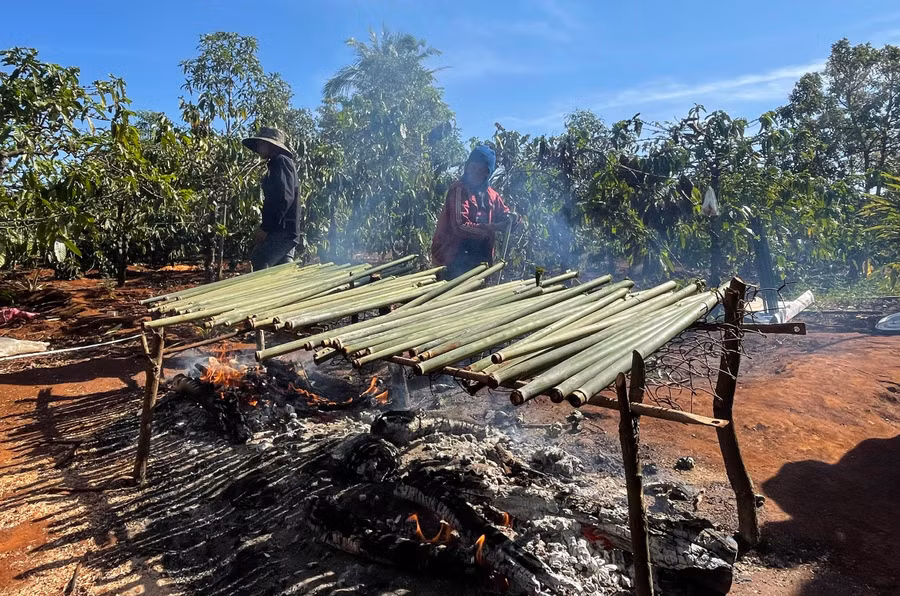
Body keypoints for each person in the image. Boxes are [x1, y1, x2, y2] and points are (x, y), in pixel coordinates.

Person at [431, 145, 517, 279]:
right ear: (467, 166)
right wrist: (493, 228)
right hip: (453, 258)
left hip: (481, 260)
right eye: (472, 166)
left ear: (487, 173)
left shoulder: (492, 196)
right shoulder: (459, 190)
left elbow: (505, 215)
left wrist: (513, 220)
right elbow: (460, 226)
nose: (473, 171)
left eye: (479, 169)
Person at [242, 126, 301, 270]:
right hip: (287, 230)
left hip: (282, 230)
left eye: (261, 143)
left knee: (260, 258)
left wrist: (266, 227)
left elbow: (283, 197)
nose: (258, 147)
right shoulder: (279, 163)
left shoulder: (281, 162)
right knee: (283, 269)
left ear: (271, 145)